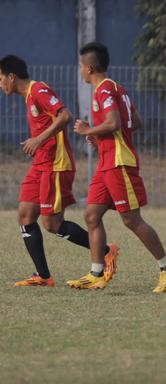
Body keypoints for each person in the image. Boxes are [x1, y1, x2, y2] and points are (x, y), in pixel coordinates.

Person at [69, 42, 166, 293]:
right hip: (106, 162)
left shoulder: (104, 90)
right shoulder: (118, 88)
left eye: (81, 66)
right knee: (91, 215)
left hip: (119, 163)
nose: (80, 70)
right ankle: (96, 273)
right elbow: (134, 122)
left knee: (131, 219)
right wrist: (99, 136)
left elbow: (114, 123)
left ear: (90, 68)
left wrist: (89, 130)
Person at [1, 54, 115, 287]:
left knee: (52, 224)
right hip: (40, 164)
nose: (0, 84)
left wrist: (38, 139)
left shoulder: (38, 90)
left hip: (56, 163)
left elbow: (65, 115)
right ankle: (43, 276)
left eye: (0, 78)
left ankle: (105, 251)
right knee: (25, 215)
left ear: (11, 77)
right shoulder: (29, 96)